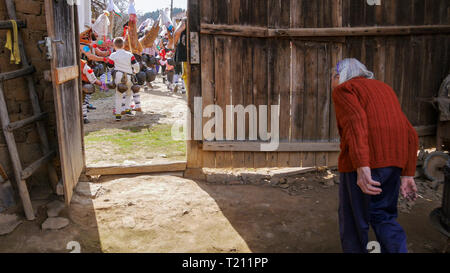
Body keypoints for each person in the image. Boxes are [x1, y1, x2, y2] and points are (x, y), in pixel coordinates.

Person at [331, 58, 419, 253]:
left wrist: (362, 167)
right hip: (393, 164)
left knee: (354, 220)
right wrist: (407, 173)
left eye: (333, 77)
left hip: (363, 165)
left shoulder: (344, 89)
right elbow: (410, 132)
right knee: (384, 216)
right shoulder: (384, 89)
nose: (333, 83)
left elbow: (356, 122)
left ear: (339, 76)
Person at [106, 37, 140, 121]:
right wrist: (136, 71)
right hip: (128, 76)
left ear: (114, 45)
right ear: (123, 45)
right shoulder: (129, 54)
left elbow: (109, 66)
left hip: (118, 76)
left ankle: (118, 114)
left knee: (118, 95)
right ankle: (127, 110)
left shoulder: (113, 55)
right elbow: (136, 66)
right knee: (129, 93)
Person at [80, 59, 102, 124]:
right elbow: (93, 79)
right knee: (82, 101)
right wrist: (102, 84)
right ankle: (84, 118)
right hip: (82, 84)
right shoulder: (86, 66)